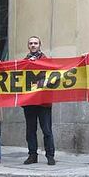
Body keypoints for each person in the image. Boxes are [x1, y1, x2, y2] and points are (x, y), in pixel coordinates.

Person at [22, 36, 56, 165]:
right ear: (28, 46)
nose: (33, 45)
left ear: (40, 45)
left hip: (44, 102)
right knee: (30, 130)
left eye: (35, 43)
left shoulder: (47, 61)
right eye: (31, 43)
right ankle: (32, 155)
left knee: (47, 130)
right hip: (29, 101)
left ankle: (50, 155)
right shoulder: (23, 62)